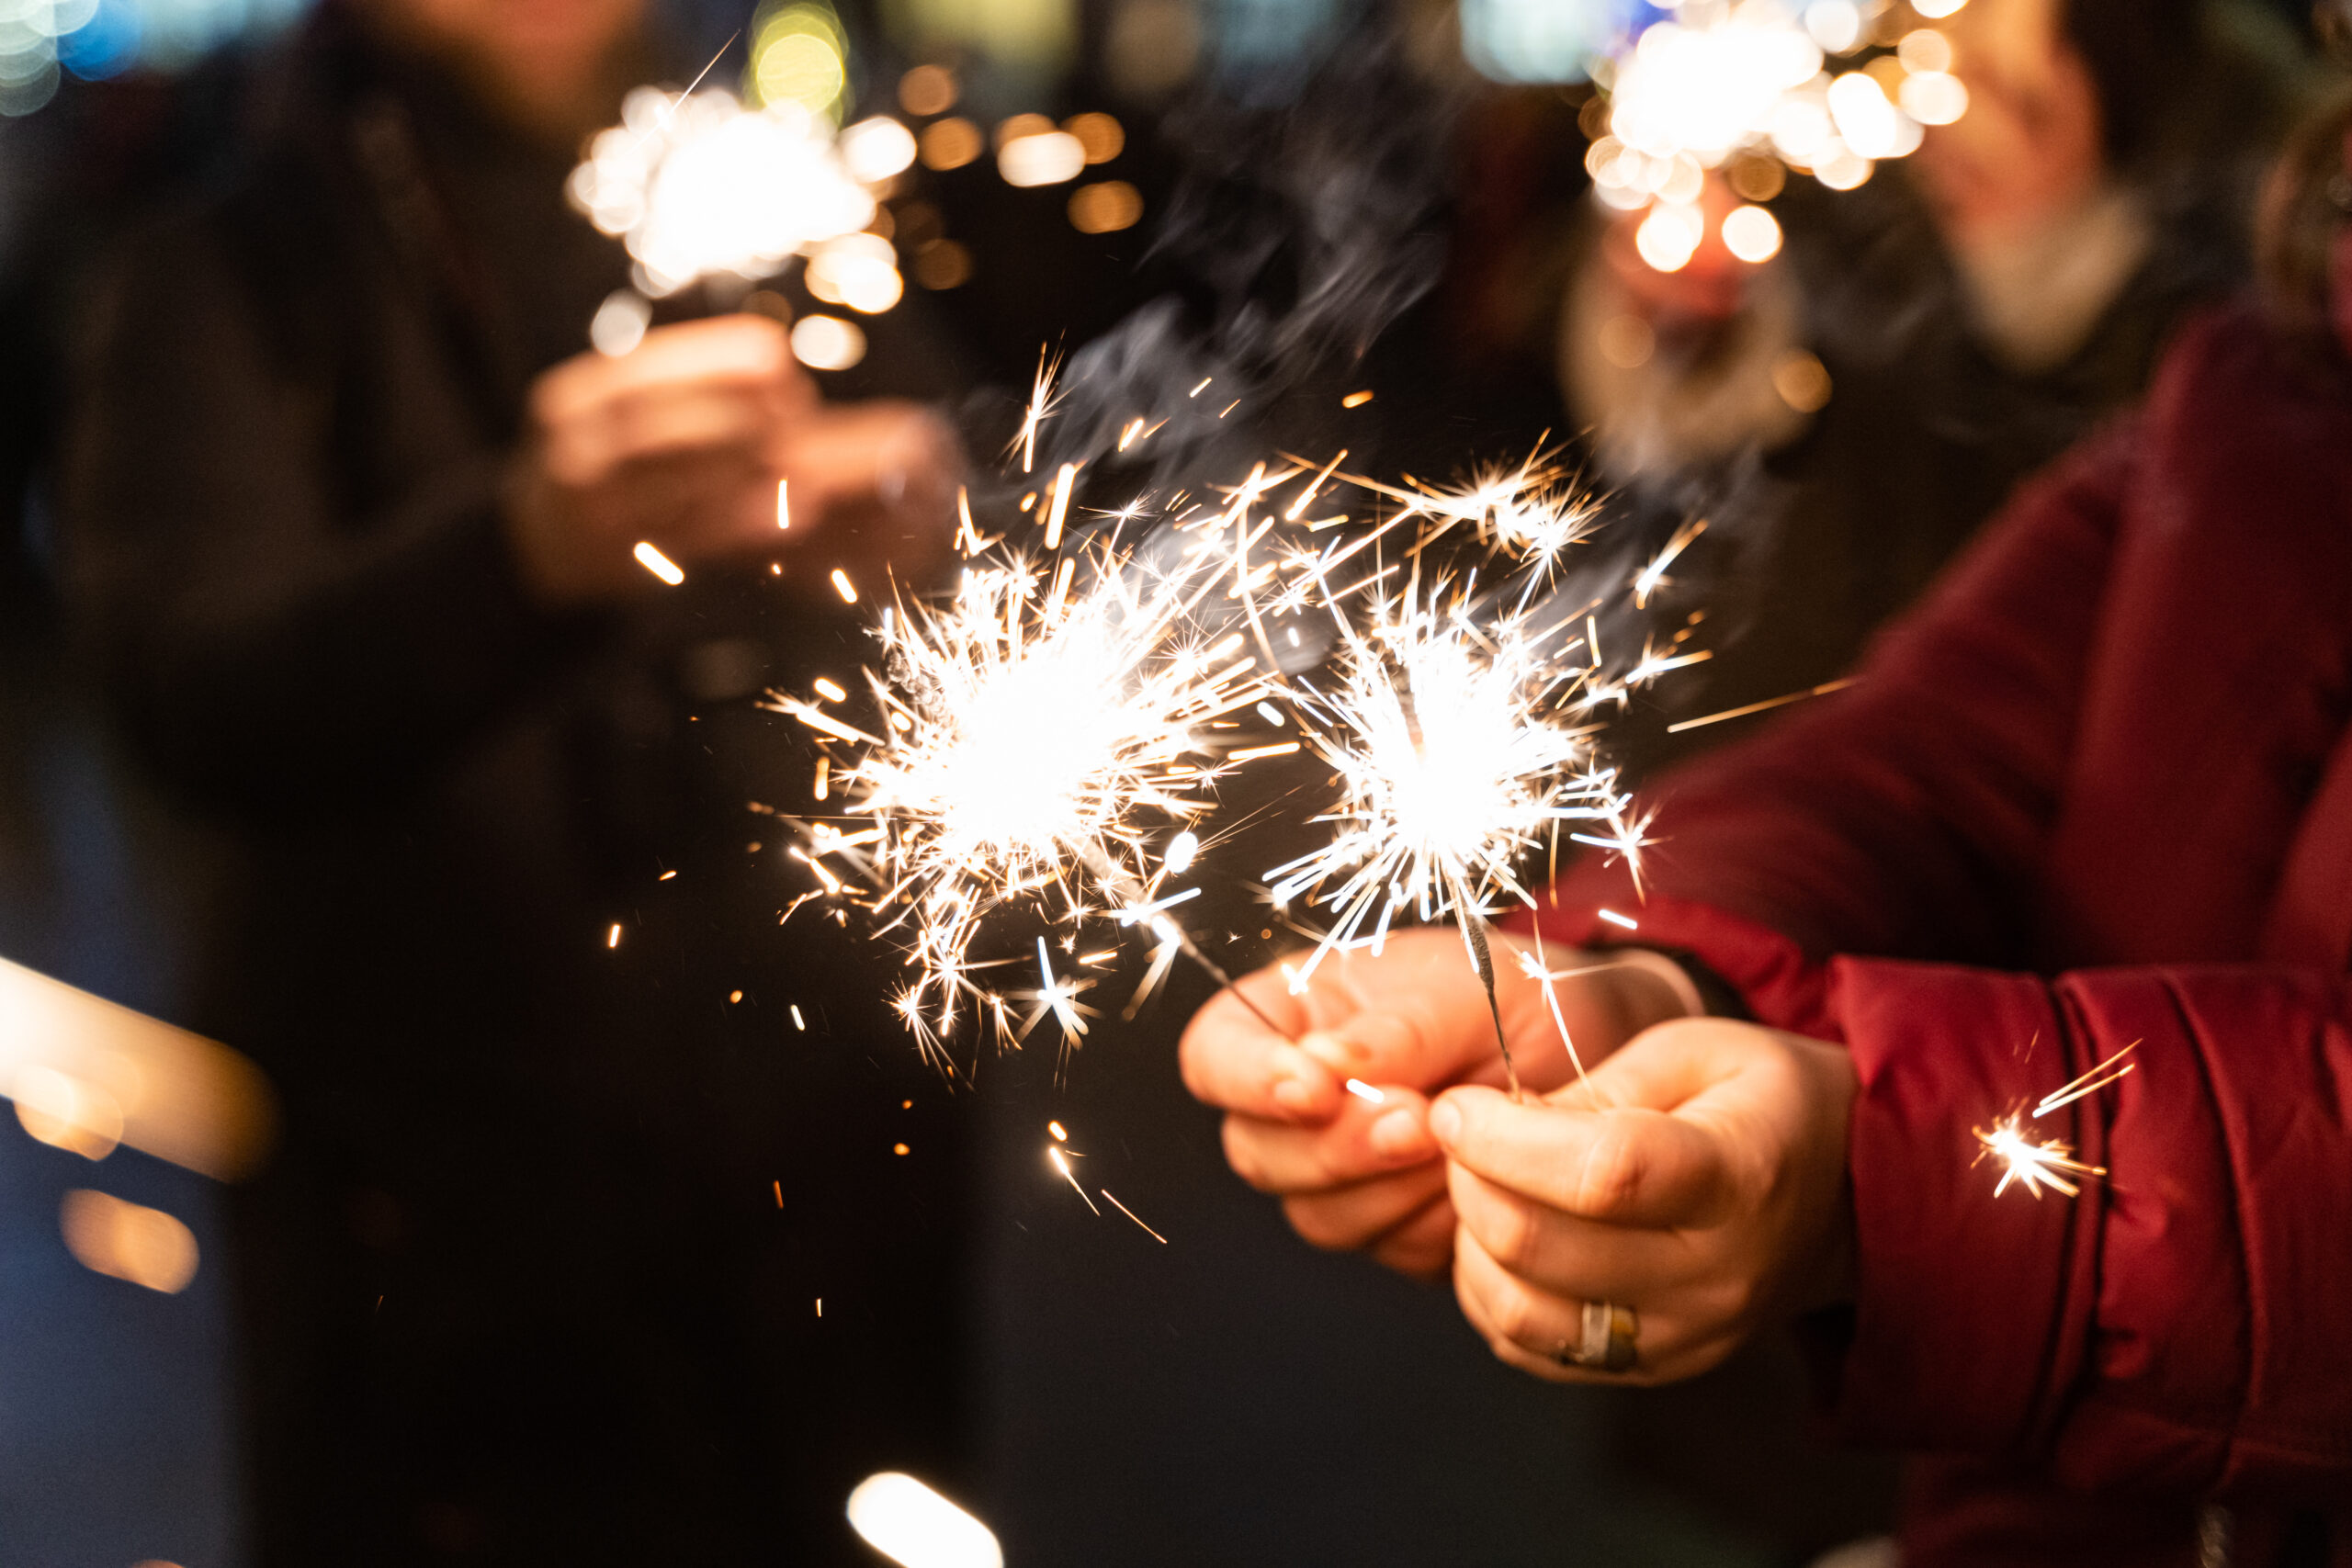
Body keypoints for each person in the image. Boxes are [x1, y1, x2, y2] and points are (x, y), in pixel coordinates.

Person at [1180, 83, 2352, 1566]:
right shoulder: (2268, 386)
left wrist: (1896, 1181)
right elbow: (1942, 746)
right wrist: (1639, 971)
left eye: (2024, 77)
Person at [59, 0, 970, 1560]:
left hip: (818, 1174)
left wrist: (925, 520)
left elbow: (953, 474)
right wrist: (520, 551)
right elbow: (199, 696)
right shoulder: (233, 257)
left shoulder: (781, 187)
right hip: (440, 1231)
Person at [1563, 0, 2304, 779]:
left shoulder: (2215, 292)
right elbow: (1694, 435)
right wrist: (1686, 321)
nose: (1968, 111)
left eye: (2019, 94)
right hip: (1763, 758)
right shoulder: (1845, 185)